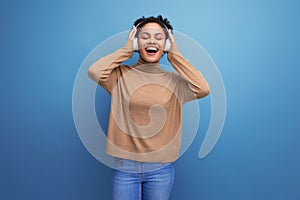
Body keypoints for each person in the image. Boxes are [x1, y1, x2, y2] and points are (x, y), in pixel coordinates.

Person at [88, 15, 210, 200]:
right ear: (136, 42)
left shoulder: (175, 83)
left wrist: (175, 56)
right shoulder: (119, 77)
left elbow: (203, 88)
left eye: (159, 37)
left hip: (161, 170)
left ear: (166, 45)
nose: (152, 40)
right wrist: (125, 51)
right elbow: (94, 71)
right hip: (125, 168)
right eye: (145, 36)